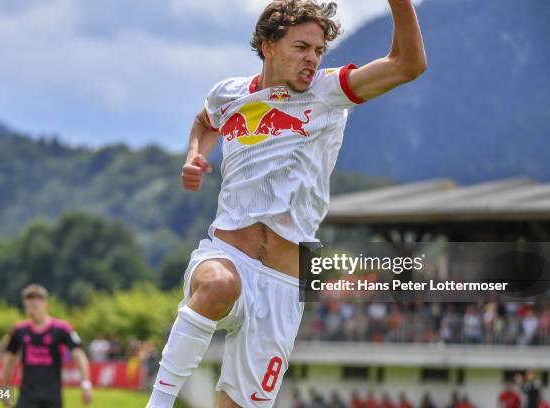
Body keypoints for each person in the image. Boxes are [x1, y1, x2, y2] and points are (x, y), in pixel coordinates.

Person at [147, 0, 426, 407]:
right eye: (300, 47)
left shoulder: (329, 91)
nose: (312, 59)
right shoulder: (228, 94)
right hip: (228, 253)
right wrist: (194, 154)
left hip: (287, 282)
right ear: (267, 46)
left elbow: (407, 65)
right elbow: (205, 121)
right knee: (217, 286)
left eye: (317, 50)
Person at [1, 284, 93, 408]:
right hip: (28, 396)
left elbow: (79, 355)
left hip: (52, 397)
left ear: (45, 303)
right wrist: (5, 389)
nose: (32, 308)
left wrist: (86, 384)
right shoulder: (20, 330)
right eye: (28, 305)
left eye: (35, 304)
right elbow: (9, 359)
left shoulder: (61, 328)